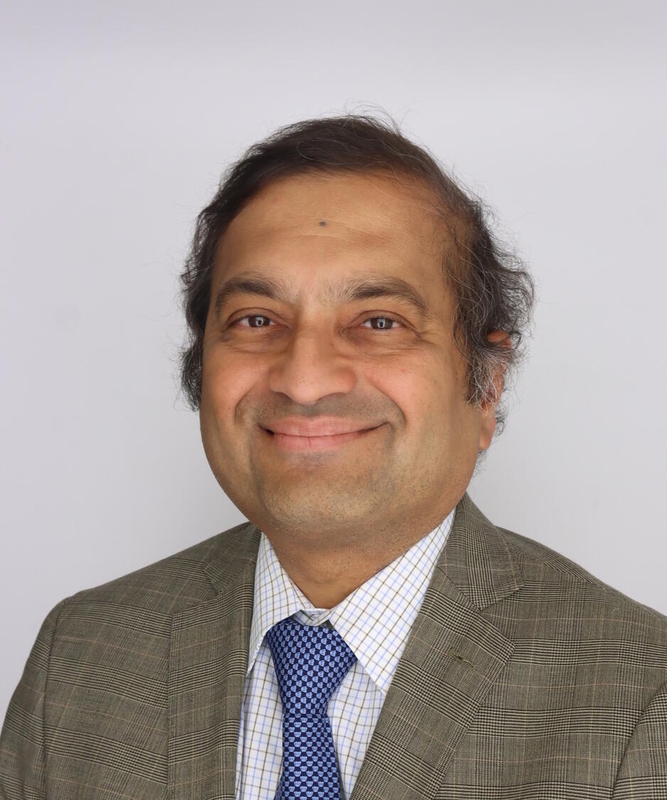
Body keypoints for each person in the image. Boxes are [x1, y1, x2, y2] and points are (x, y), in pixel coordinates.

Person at [1, 114, 666, 800]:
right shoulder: (79, 659)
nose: (304, 379)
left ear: (487, 385)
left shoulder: (643, 699)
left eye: (378, 322)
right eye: (257, 320)